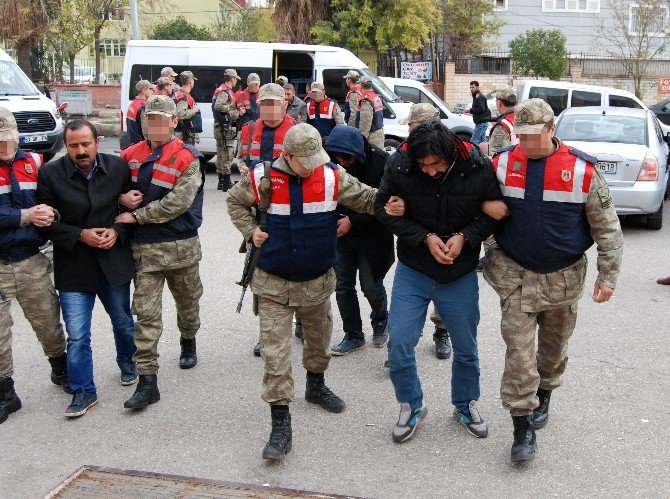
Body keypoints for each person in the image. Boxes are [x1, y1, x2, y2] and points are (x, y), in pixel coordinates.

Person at [226, 123, 402, 461]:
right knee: (276, 357)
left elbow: (368, 198)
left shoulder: (332, 175)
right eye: (306, 161)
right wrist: (250, 231)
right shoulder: (262, 176)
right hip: (273, 282)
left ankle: (316, 385)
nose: (314, 166)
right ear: (287, 156)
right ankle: (280, 423)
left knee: (319, 344)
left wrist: (392, 203)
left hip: (317, 282)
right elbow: (234, 202)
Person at [484, 98, 623, 463]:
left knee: (554, 348)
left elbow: (607, 228)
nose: (527, 144)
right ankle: (522, 427)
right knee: (518, 354)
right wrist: (490, 245)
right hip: (516, 277)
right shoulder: (500, 163)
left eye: (534, 136)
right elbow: (477, 207)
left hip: (562, 279)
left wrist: (608, 276)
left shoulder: (581, 170)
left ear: (552, 129)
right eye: (521, 136)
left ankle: (545, 394)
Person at [375, 120, 503, 444]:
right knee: (400, 342)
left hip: (459, 274)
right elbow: (383, 209)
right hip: (414, 269)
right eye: (424, 165)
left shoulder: (477, 165)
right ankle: (410, 406)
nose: (430, 171)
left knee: (467, 348)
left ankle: (465, 405)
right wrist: (424, 238)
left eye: (437, 164)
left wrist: (466, 237)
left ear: (451, 154)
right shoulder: (401, 164)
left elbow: (495, 211)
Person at [37, 119, 137, 418]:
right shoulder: (50, 173)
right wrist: (79, 234)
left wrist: (116, 234)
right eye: (73, 146)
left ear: (97, 142)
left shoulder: (118, 168)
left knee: (122, 320)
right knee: (78, 336)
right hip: (73, 265)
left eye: (86, 144)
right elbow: (46, 223)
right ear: (65, 146)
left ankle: (127, 361)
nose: (81, 151)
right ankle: (83, 390)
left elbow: (130, 212)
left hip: (112, 262)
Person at [115, 94, 204, 411]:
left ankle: (188, 340)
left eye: (160, 120)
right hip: (146, 251)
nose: (153, 125)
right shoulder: (128, 155)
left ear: (174, 122)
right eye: (148, 119)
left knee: (188, 304)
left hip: (181, 248)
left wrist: (137, 216)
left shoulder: (187, 158)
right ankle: (148, 382)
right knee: (146, 316)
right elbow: (107, 185)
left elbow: (178, 203)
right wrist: (122, 198)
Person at [0, 107, 67, 425]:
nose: (5, 147)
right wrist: (25, 216)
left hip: (30, 260)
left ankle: (60, 368)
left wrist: (50, 213)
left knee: (48, 321)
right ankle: (6, 393)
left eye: (9, 140)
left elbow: (55, 199)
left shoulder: (36, 163)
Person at [235, 83, 298, 355]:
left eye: (275, 103)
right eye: (265, 104)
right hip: (258, 211)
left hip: (292, 208)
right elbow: (239, 160)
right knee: (259, 269)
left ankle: (303, 321)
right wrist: (244, 171)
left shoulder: (299, 131)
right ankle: (267, 331)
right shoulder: (248, 130)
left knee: (297, 266)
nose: (270, 109)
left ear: (285, 104)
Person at [324, 125, 393, 355]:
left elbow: (387, 208)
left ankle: (381, 320)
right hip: (339, 234)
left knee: (371, 285)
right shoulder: (326, 159)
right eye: (337, 157)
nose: (342, 162)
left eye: (347, 158)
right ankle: (353, 335)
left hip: (372, 236)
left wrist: (353, 221)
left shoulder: (382, 163)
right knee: (343, 286)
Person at [397, 103, 452, 360]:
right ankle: (405, 342)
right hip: (415, 243)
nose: (410, 131)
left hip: (448, 243)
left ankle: (442, 332)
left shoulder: (453, 157)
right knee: (408, 304)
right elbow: (386, 203)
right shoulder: (401, 157)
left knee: (444, 293)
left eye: (412, 126)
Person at [212, 69, 243, 192]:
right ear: (231, 79)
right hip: (224, 127)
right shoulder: (224, 91)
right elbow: (218, 106)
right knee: (227, 155)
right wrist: (233, 109)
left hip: (220, 127)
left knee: (220, 154)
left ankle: (221, 181)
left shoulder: (221, 89)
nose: (236, 81)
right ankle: (226, 182)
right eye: (235, 79)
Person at [480, 86, 518, 157]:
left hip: (511, 165)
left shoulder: (502, 125)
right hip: (524, 164)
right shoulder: (523, 118)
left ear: (499, 102)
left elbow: (496, 156)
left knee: (483, 146)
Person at [173, 71, 202, 146]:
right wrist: (194, 110)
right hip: (184, 133)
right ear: (190, 82)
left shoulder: (180, 94)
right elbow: (180, 114)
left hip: (183, 132)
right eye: (193, 80)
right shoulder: (184, 96)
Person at [355, 76, 385, 149]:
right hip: (378, 133)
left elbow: (365, 121)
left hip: (371, 136)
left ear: (361, 85)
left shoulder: (366, 99)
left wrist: (362, 139)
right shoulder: (375, 97)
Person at [126, 80, 153, 146]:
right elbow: (146, 132)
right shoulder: (143, 107)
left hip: (133, 143)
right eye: (150, 89)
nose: (152, 92)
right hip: (141, 145)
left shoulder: (133, 103)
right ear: (143, 91)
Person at [464, 81, 491, 145]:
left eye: (473, 87)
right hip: (481, 122)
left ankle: (472, 155)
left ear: (477, 87)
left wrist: (469, 110)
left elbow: (481, 109)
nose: (471, 89)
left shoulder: (479, 96)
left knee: (473, 141)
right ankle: (483, 154)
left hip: (481, 123)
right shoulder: (476, 96)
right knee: (482, 142)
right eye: (470, 87)